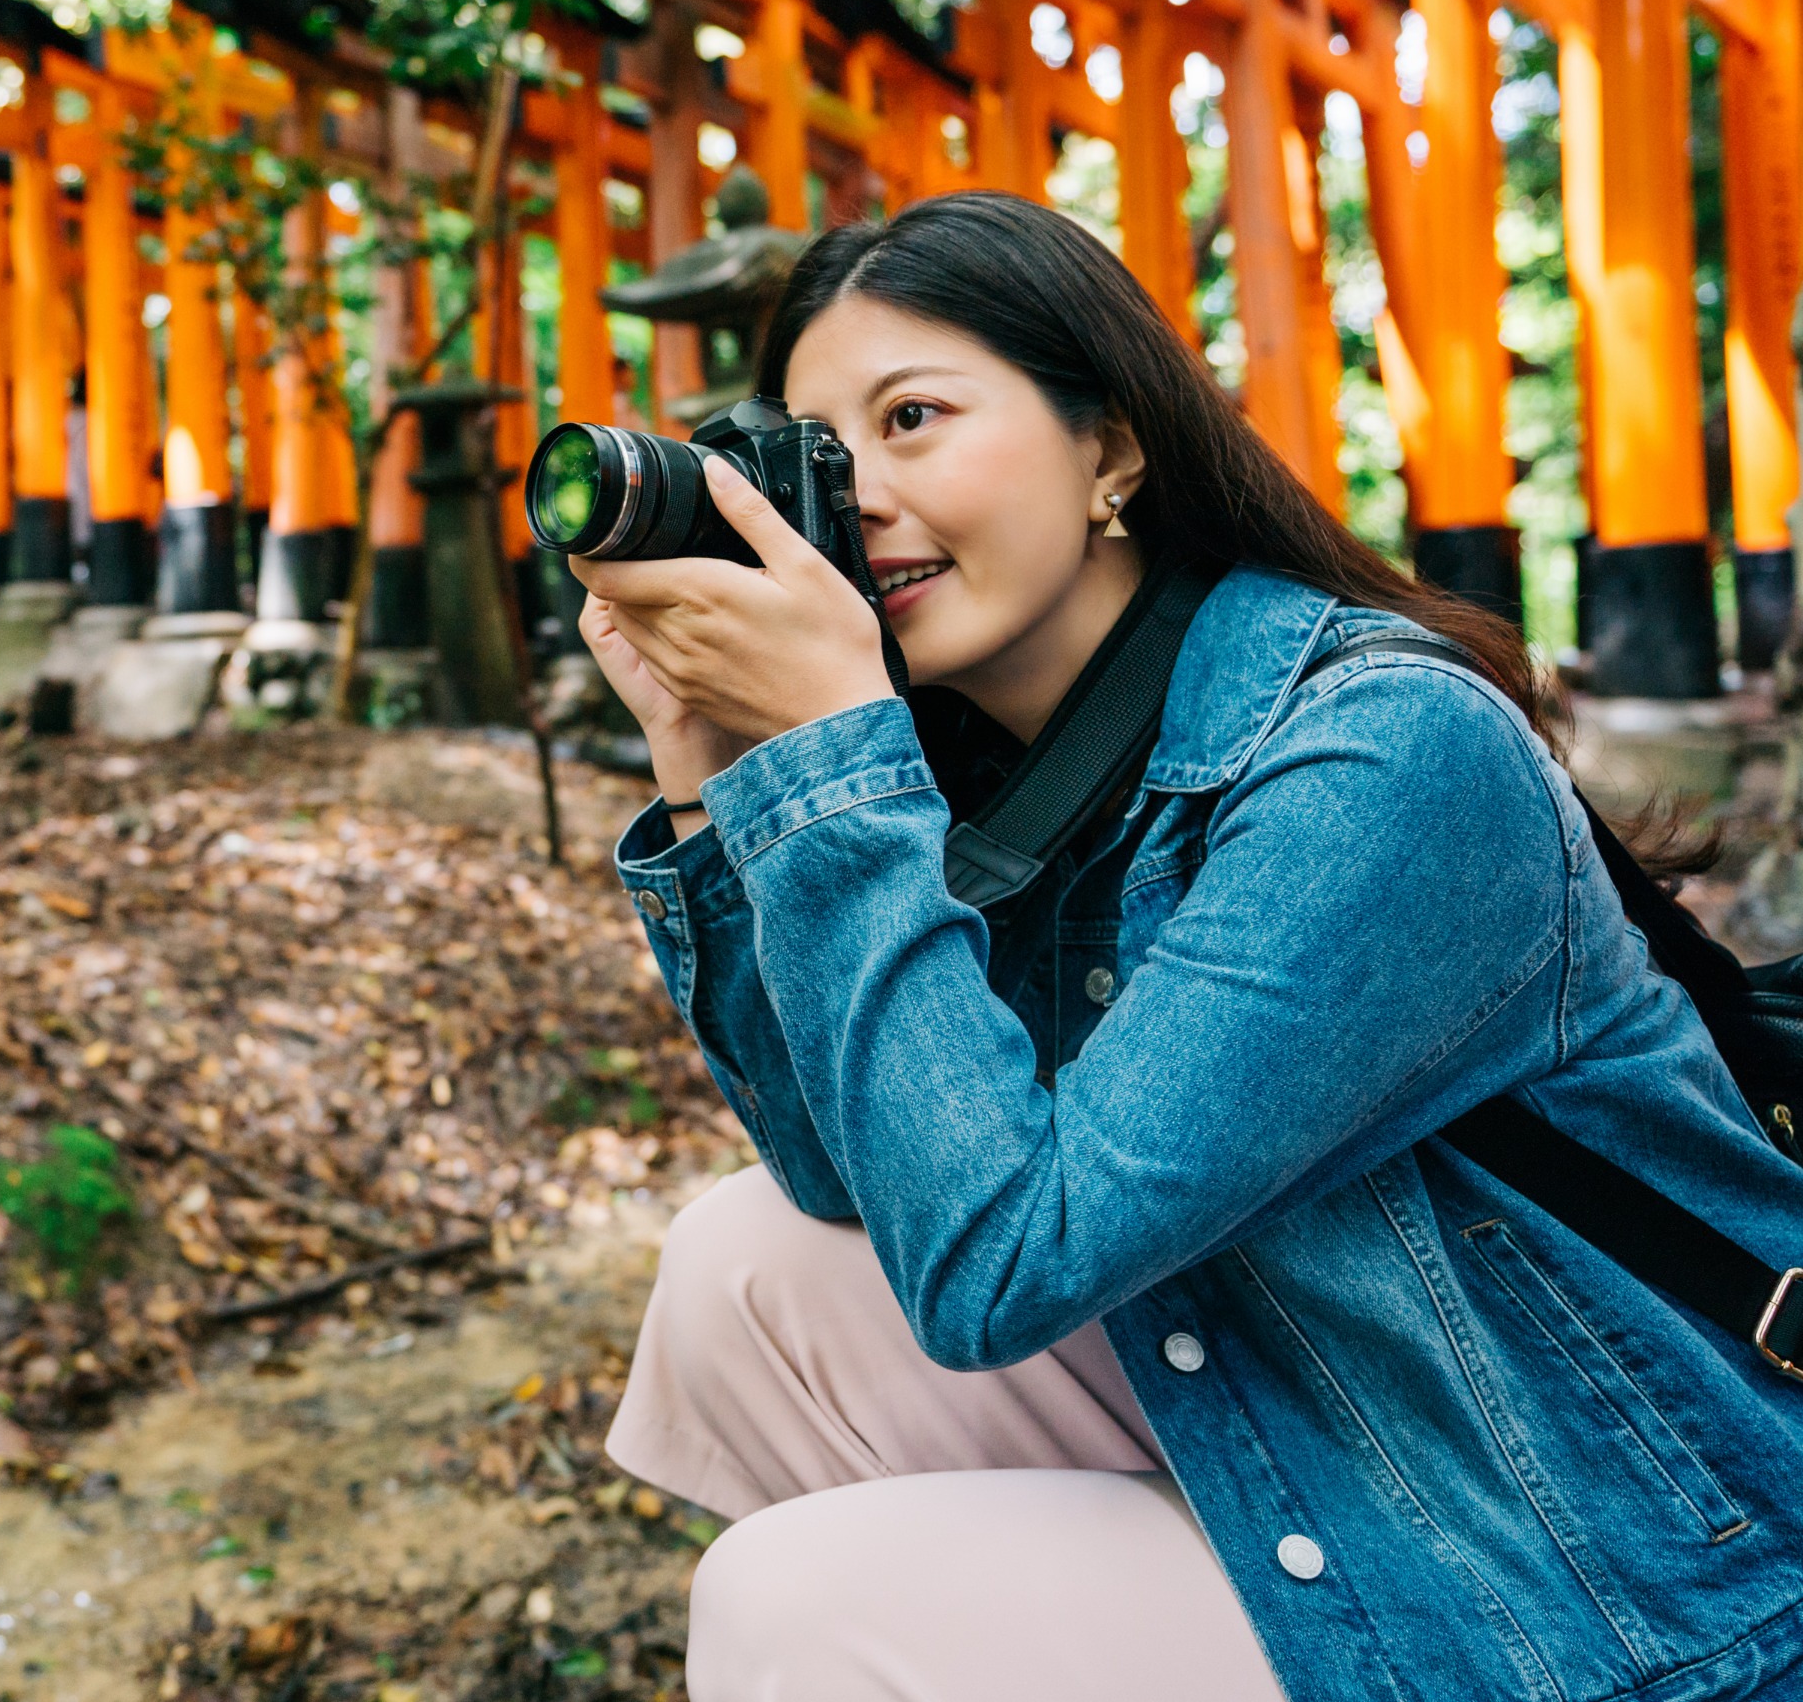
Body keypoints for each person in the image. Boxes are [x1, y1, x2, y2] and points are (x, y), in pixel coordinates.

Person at [581, 190, 1803, 1701]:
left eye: (914, 418)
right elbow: (849, 1172)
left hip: (1624, 1565)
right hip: (1353, 1416)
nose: (859, 502)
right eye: (819, 457)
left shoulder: (1376, 749)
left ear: (1112, 446)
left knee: (799, 1602)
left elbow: (1003, 1261)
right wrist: (709, 772)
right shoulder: (1001, 767)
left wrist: (831, 758)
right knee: (743, 1267)